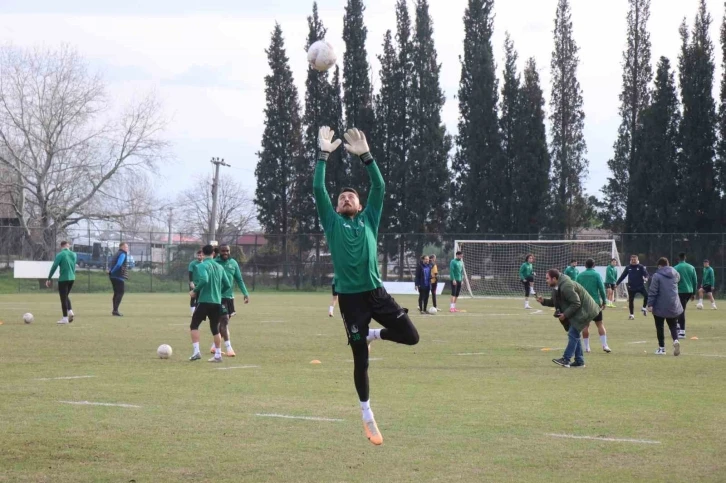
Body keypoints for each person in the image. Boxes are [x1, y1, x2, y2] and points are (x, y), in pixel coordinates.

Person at [314, 126, 419, 446]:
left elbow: (380, 185)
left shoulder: (370, 218)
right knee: (361, 360)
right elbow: (318, 188)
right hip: (350, 299)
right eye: (342, 197)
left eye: (351, 197)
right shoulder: (331, 222)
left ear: (360, 205)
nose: (346, 198)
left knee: (411, 337)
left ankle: (375, 333)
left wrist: (366, 157)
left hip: (376, 294)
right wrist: (323, 157)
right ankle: (367, 415)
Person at [537, 269, 600, 368]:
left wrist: (565, 315)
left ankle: (566, 359)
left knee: (573, 333)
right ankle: (579, 361)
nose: (546, 280)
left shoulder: (566, 286)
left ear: (554, 278)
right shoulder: (557, 287)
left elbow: (576, 303)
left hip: (585, 310)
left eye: (547, 278)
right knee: (574, 334)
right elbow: (555, 302)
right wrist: (543, 301)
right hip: (578, 310)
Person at [189, 244, 231, 363]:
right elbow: (228, 285)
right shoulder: (220, 267)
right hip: (217, 302)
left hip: (204, 301)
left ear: (203, 253)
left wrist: (195, 291)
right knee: (215, 328)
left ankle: (196, 352)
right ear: (213, 253)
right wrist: (218, 292)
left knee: (194, 325)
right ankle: (218, 355)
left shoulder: (202, 265)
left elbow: (204, 279)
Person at [212, 245, 250, 357]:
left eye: (227, 251)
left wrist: (245, 293)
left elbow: (239, 279)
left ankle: (214, 346)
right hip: (218, 297)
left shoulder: (233, 263)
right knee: (224, 320)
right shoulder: (214, 262)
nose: (225, 253)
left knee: (224, 322)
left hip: (229, 297)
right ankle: (229, 348)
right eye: (223, 251)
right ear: (219, 251)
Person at [647, 257, 682, 356]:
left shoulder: (657, 275)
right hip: (673, 303)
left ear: (659, 266)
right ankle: (675, 340)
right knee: (673, 325)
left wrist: (650, 304)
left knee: (660, 326)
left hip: (660, 305)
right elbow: (678, 280)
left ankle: (662, 349)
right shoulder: (675, 273)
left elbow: (653, 291)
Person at [576, 259, 611, 353]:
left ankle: (587, 347)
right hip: (595, 303)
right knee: (599, 324)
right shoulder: (597, 275)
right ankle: (605, 345)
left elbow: (575, 289)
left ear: (585, 265)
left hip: (584, 303)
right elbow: (601, 289)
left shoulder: (579, 275)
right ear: (594, 265)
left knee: (585, 325)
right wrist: (604, 301)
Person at [46, 241, 77, 325]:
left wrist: (49, 278)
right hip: (72, 278)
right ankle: (70, 311)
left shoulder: (60, 255)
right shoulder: (74, 254)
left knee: (63, 298)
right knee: (66, 295)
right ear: (68, 246)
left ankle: (65, 318)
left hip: (63, 279)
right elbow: (74, 266)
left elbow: (54, 266)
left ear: (61, 246)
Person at [616, 254, 649, 320]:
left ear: (637, 260)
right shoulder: (628, 267)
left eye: (635, 260)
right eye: (632, 260)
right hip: (631, 287)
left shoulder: (641, 267)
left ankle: (644, 307)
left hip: (640, 286)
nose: (633, 261)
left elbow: (646, 274)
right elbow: (623, 276)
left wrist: (646, 278)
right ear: (630, 260)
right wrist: (617, 284)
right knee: (631, 301)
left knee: (647, 296)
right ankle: (631, 315)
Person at [673, 252, 698, 339]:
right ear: (685, 258)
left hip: (680, 291)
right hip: (689, 291)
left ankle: (682, 332)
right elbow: (695, 281)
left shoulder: (675, 268)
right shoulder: (691, 267)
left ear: (678, 258)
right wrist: (694, 293)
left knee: (681, 310)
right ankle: (678, 325)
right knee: (679, 308)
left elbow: (673, 280)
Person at [108, 242, 130, 316]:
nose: (127, 248)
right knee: (120, 292)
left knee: (116, 293)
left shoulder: (116, 253)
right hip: (118, 276)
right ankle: (115, 310)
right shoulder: (122, 254)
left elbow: (112, 263)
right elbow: (119, 264)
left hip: (112, 277)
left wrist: (110, 271)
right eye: (126, 247)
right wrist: (112, 271)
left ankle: (115, 310)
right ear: (122, 247)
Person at [188, 249, 203, 316]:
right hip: (194, 283)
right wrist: (191, 282)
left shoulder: (205, 263)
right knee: (193, 297)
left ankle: (198, 312)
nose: (199, 256)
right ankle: (193, 312)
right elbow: (190, 273)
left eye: (201, 255)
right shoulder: (193, 263)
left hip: (201, 284)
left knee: (200, 299)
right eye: (198, 255)